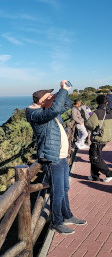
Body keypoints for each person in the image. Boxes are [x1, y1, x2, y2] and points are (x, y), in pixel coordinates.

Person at [25, 80, 86, 235]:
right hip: (52, 158)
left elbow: (66, 105)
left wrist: (61, 93)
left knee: (64, 188)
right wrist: (61, 92)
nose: (52, 97)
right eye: (49, 96)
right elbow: (55, 109)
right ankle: (56, 222)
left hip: (62, 157)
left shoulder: (48, 108)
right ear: (41, 101)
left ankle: (67, 216)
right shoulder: (35, 113)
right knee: (57, 192)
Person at [84, 95, 112, 182]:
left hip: (98, 138)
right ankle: (94, 176)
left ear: (97, 102)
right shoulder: (110, 112)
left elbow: (89, 124)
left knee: (94, 158)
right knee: (96, 156)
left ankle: (109, 174)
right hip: (106, 137)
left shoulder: (97, 112)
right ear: (106, 102)